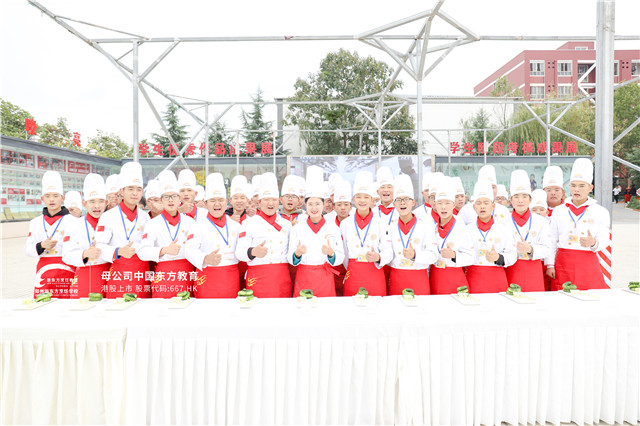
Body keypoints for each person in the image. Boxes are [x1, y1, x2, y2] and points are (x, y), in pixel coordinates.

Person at [545, 158, 611, 290]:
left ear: (590, 188)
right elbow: (552, 240)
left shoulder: (600, 212)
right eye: (573, 185)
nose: (576, 190)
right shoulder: (559, 210)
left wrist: (594, 242)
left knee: (591, 295)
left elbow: (605, 239)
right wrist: (550, 265)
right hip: (563, 262)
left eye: (582, 186)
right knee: (562, 296)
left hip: (588, 262)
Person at [95, 162, 152, 298]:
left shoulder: (145, 217)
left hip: (141, 272)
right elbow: (99, 245)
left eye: (139, 189)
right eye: (130, 189)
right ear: (121, 191)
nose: (135, 193)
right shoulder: (108, 216)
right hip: (119, 272)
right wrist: (118, 251)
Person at [138, 170, 195, 298]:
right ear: (161, 200)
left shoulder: (190, 222)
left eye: (174, 196)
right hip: (164, 275)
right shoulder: (152, 224)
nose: (170, 200)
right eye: (166, 197)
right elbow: (142, 252)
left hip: (187, 274)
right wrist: (164, 250)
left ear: (179, 199)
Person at [236, 173, 293, 298]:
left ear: (279, 201)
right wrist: (253, 252)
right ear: (259, 202)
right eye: (266, 200)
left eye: (274, 199)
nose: (270, 203)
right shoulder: (248, 223)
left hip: (281, 277)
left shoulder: (287, 224)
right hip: (257, 277)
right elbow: (239, 252)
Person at [186, 173, 242, 298]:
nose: (217, 204)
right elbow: (189, 250)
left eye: (221, 200)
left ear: (226, 203)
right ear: (206, 204)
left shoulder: (236, 226)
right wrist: (205, 258)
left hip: (231, 279)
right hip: (207, 278)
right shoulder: (197, 225)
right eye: (212, 201)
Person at [340, 171, 393, 296]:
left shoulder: (381, 223)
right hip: (353, 275)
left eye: (366, 197)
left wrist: (378, 257)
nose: (362, 200)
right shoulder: (345, 223)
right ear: (353, 199)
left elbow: (388, 251)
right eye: (358, 197)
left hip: (375, 274)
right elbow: (344, 253)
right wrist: (352, 266)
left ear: (372, 200)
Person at [288, 181, 345, 297]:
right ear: (305, 205)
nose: (314, 208)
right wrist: (297, 254)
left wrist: (331, 254)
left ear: (323, 205)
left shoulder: (333, 228)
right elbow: (290, 258)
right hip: (304, 276)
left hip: (325, 277)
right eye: (310, 204)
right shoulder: (297, 228)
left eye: (318, 204)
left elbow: (341, 256)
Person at [25, 170, 76, 298]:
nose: (51, 199)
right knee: (42, 304)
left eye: (55, 195)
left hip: (68, 271)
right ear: (42, 199)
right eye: (47, 196)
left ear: (63, 198)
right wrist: (42, 245)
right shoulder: (35, 222)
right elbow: (28, 250)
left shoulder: (74, 221)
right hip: (44, 272)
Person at [387, 175, 438, 295]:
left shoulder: (425, 226)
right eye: (398, 200)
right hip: (396, 279)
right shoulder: (389, 227)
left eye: (406, 199)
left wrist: (415, 255)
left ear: (413, 202)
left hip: (418, 279)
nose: (402, 203)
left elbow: (433, 255)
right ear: (394, 204)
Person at [62, 174, 110, 298]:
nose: (97, 206)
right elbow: (66, 255)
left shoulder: (113, 223)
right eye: (92, 202)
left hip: (111, 276)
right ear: (84, 203)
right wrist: (84, 254)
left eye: (101, 201)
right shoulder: (74, 225)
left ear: (106, 202)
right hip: (84, 277)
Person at [465, 180, 517, 293]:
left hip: (497, 279)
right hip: (473, 279)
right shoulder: (466, 230)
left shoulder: (504, 229)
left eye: (486, 203)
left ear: (493, 206)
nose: (482, 206)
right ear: (474, 207)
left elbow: (512, 255)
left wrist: (498, 258)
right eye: (478, 203)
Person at [505, 170, 551, 292]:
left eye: (524, 196)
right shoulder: (502, 221)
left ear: (530, 200)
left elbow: (547, 248)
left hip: (533, 270)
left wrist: (530, 249)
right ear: (511, 200)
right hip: (511, 269)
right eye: (516, 197)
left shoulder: (541, 221)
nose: (520, 200)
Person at [428, 177, 474, 294]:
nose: (443, 207)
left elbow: (471, 256)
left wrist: (454, 255)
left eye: (447, 203)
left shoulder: (461, 227)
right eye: (440, 203)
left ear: (453, 205)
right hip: (434, 277)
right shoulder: (429, 226)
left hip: (454, 279)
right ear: (435, 205)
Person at [331, 180, 353, 296]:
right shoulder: (328, 225)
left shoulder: (355, 225)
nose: (342, 208)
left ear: (351, 206)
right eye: (339, 205)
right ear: (334, 207)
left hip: (352, 271)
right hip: (333, 271)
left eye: (346, 204)